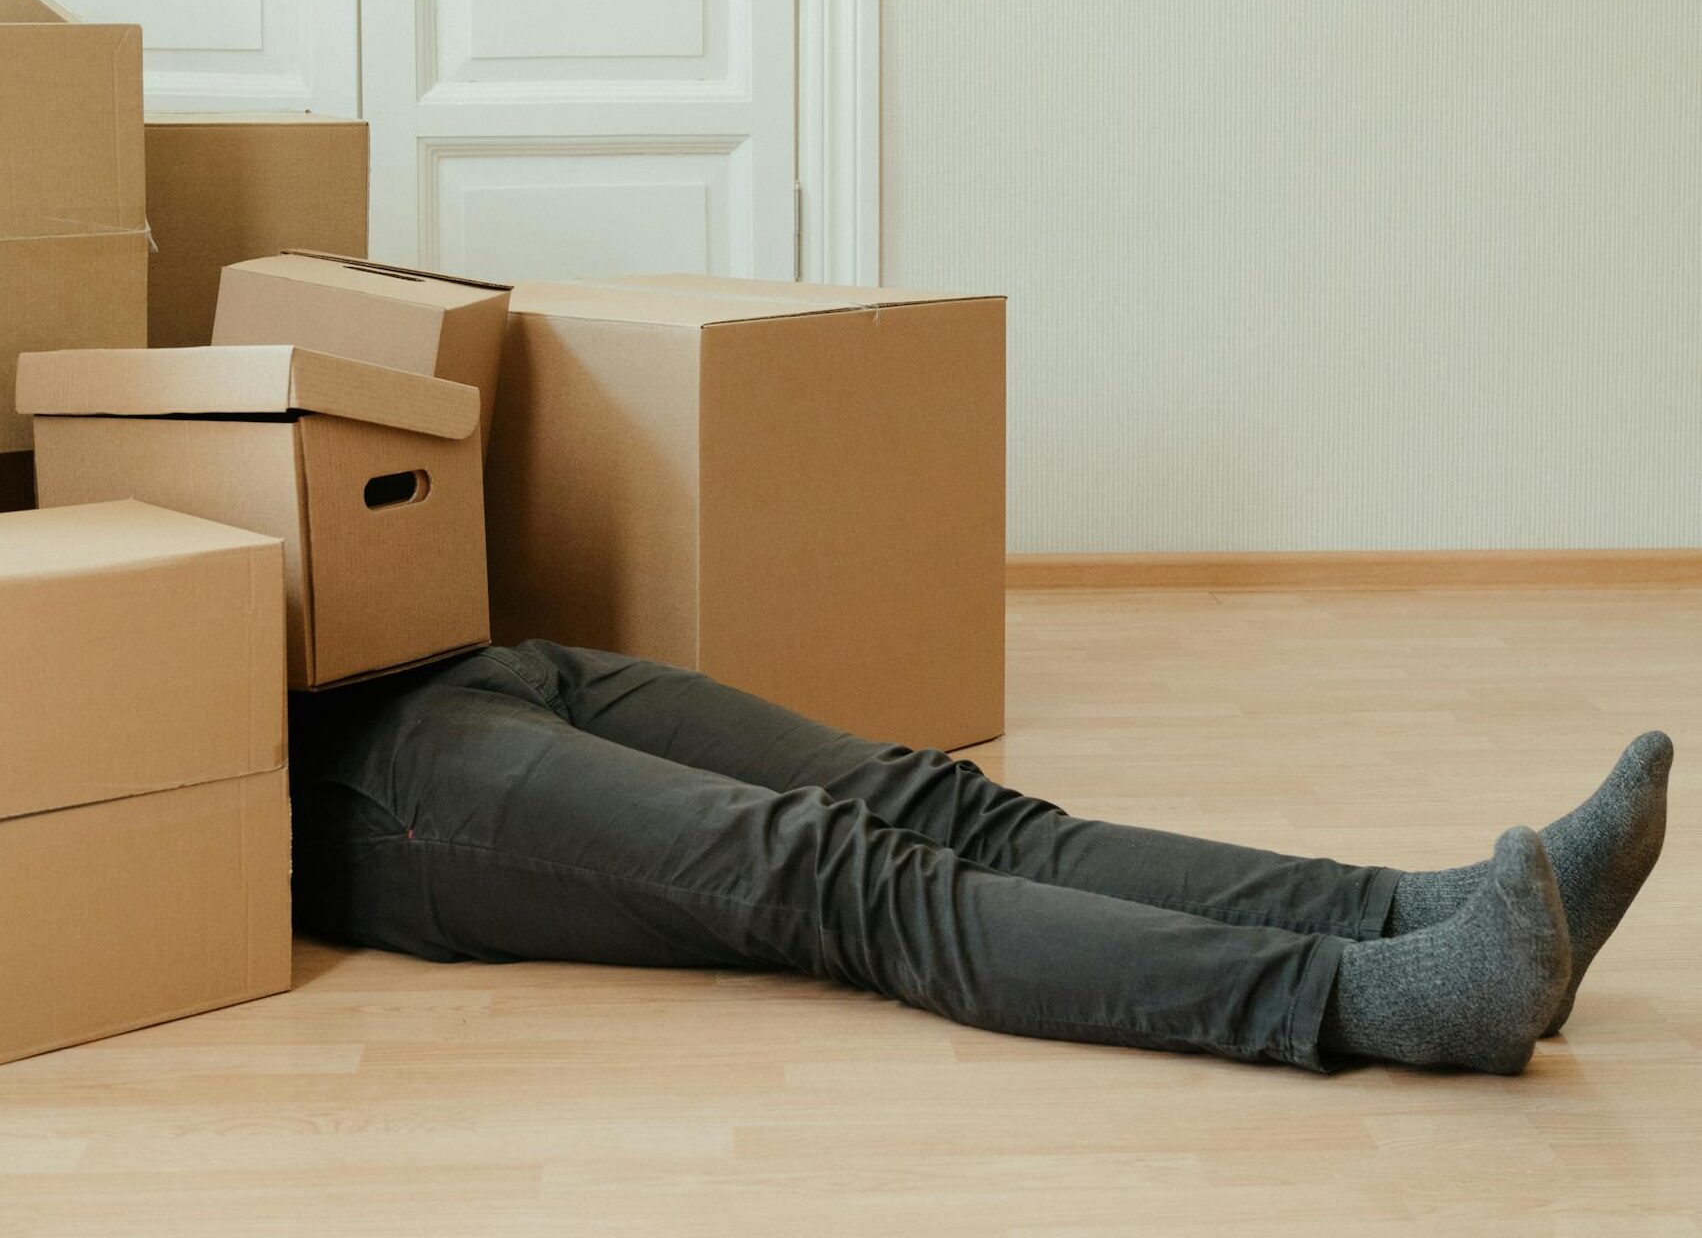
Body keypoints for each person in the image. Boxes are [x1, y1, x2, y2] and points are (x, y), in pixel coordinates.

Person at [287, 642, 1671, 1075]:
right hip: (366, 784)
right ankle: (1375, 1001)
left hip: (470, 656)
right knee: (848, 877)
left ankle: (1427, 912)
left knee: (950, 805)